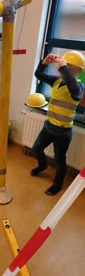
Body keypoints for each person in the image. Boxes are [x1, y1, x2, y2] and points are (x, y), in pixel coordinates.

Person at [31, 51, 85, 196]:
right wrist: (44, 63)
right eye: (66, 67)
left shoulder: (78, 88)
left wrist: (63, 66)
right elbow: (39, 75)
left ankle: (57, 184)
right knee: (36, 149)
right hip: (48, 126)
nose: (65, 71)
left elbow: (73, 87)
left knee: (59, 160)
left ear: (79, 71)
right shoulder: (56, 81)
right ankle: (42, 166)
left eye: (70, 68)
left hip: (63, 132)